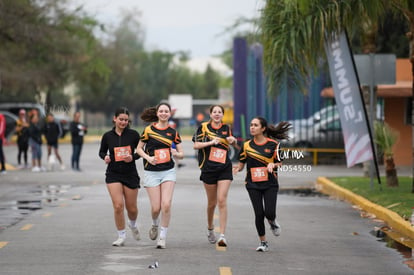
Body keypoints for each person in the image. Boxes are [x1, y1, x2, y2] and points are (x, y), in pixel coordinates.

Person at [233, 117, 291, 252]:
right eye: (251, 125)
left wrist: (273, 164)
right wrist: (237, 168)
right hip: (252, 184)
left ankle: (272, 222)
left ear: (263, 128)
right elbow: (241, 165)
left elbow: (280, 163)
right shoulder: (246, 145)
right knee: (259, 214)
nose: (252, 127)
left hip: (270, 183)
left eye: (255, 125)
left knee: (269, 213)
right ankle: (263, 242)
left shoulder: (273, 145)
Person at [136, 102, 184, 249]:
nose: (163, 113)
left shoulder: (173, 132)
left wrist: (176, 153)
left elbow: (182, 154)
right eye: (161, 111)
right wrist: (148, 158)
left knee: (166, 205)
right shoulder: (148, 130)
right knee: (156, 208)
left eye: (166, 111)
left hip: (168, 171)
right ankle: (155, 224)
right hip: (151, 172)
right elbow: (138, 149)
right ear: (157, 113)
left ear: (170, 114)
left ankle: (162, 237)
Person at [192, 105, 237, 247]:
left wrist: (233, 141)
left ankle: (222, 236)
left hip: (224, 167)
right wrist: (211, 142)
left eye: (220, 112)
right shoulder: (203, 127)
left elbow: (233, 144)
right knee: (212, 203)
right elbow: (196, 145)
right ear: (210, 114)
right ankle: (210, 229)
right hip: (208, 168)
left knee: (222, 200)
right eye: (215, 112)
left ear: (222, 115)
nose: (217, 114)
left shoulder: (226, 128)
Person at [99, 107, 141, 247]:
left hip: (130, 174)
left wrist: (133, 157)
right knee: (118, 206)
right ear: (114, 119)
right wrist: (105, 157)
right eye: (121, 119)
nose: (123, 122)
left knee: (132, 209)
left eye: (126, 120)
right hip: (113, 174)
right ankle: (121, 236)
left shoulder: (134, 135)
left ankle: (133, 224)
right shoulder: (107, 136)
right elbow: (102, 152)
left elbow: (141, 151)